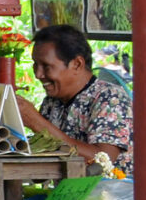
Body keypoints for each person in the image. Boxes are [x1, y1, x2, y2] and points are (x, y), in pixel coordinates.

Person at [18, 24, 134, 168]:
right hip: (67, 190)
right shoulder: (52, 102)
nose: (38, 74)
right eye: (36, 65)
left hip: (108, 190)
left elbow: (102, 163)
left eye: (46, 66)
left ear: (77, 64)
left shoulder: (110, 98)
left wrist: (37, 123)